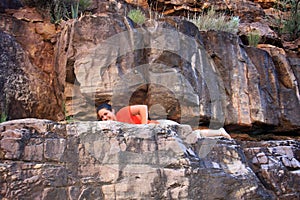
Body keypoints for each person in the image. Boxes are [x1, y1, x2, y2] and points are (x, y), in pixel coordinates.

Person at [96, 103, 231, 139]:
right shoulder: (116, 127)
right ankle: (218, 132)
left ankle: (219, 131)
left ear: (112, 110)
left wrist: (144, 126)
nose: (105, 118)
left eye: (106, 114)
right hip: (157, 132)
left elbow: (142, 108)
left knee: (191, 135)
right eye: (101, 117)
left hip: (161, 126)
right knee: (192, 136)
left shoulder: (122, 113)